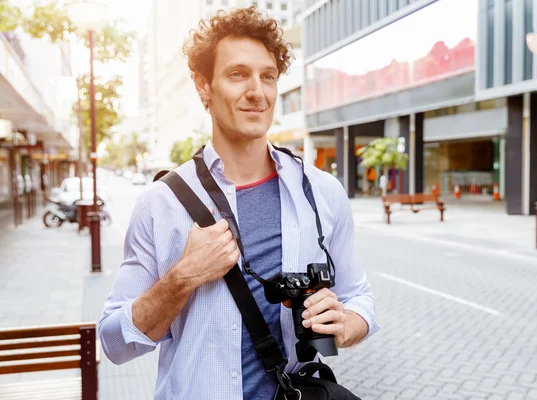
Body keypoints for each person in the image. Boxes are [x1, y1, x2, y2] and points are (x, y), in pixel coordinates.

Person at [98, 6, 378, 400]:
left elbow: (359, 298)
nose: (257, 92)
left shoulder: (322, 191)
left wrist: (346, 324)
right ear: (203, 86)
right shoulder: (159, 204)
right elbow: (115, 342)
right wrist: (183, 277)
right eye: (237, 74)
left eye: (267, 77)